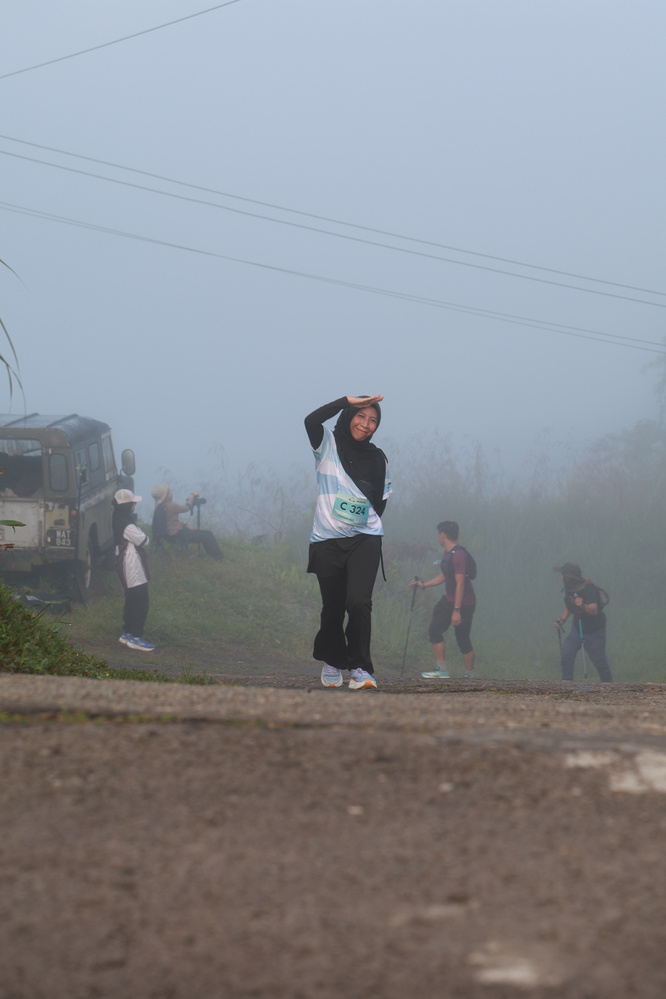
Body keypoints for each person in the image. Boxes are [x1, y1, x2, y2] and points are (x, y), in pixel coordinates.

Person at [305, 395, 391, 691]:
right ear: (349, 415)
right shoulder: (326, 444)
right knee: (333, 606)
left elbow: (381, 500)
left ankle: (360, 669)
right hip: (327, 540)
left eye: (373, 420)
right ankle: (331, 660)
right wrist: (345, 400)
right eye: (360, 416)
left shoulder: (378, 458)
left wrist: (361, 523)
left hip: (364, 540)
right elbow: (310, 420)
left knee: (359, 602)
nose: (366, 424)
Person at [411, 521, 476, 679]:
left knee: (462, 638)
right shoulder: (448, 553)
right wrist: (424, 585)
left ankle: (469, 675)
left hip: (464, 603)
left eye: (438, 534)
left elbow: (460, 584)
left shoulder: (459, 555)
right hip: (449, 600)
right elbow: (446, 575)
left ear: (443, 535)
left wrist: (457, 610)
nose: (437, 537)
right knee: (435, 630)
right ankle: (441, 670)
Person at [111, 488, 155, 652]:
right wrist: (143, 534)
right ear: (126, 505)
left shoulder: (117, 517)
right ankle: (136, 637)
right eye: (132, 503)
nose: (134, 505)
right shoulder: (127, 524)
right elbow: (144, 540)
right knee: (140, 601)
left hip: (125, 563)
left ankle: (127, 632)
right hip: (132, 565)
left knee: (130, 599)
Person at [554, 562, 612, 682]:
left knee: (600, 662)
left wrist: (583, 606)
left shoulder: (588, 589)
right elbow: (569, 606)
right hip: (577, 629)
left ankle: (609, 687)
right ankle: (566, 684)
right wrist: (562, 620)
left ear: (568, 577)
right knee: (566, 653)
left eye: (563, 574)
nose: (561, 577)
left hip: (594, 631)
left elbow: (594, 610)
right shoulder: (569, 588)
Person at [150, 484, 223, 560]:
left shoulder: (159, 507)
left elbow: (170, 522)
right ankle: (218, 558)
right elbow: (186, 508)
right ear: (167, 495)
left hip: (170, 536)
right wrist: (191, 497)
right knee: (207, 535)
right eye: (169, 491)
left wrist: (185, 525)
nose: (171, 492)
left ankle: (212, 557)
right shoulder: (171, 506)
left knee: (203, 535)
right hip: (178, 534)